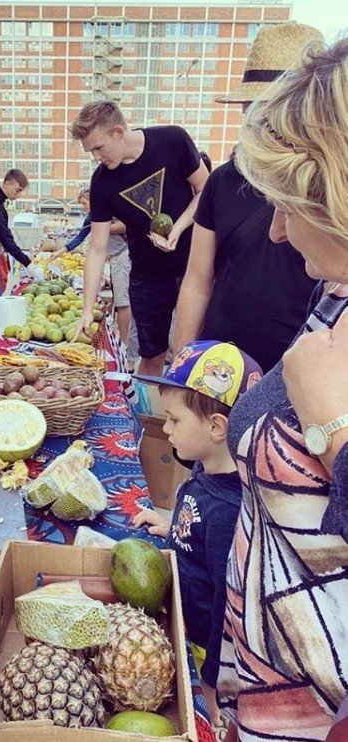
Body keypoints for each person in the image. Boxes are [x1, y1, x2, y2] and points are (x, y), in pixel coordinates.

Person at [216, 38, 348, 739]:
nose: (272, 229)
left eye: (287, 206)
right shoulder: (333, 291)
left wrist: (333, 435)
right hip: (273, 675)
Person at [173, 23, 322, 373]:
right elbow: (197, 279)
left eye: (272, 109)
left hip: (299, 367)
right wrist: (182, 361)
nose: (262, 123)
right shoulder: (223, 180)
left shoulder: (329, 188)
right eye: (252, 109)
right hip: (220, 363)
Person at [132, 341, 262, 727]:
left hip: (204, 640)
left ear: (216, 427)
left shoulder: (226, 512)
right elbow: (195, 515)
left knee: (206, 711)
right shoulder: (208, 465)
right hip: (186, 614)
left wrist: (214, 677)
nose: (164, 428)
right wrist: (173, 527)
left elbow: (228, 599)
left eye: (173, 419)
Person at [69, 101, 210, 376]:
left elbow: (205, 188)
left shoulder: (173, 140)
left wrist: (179, 228)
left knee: (191, 353)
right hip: (147, 275)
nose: (96, 157)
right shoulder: (101, 183)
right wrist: (87, 309)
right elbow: (97, 250)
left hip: (194, 266)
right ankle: (149, 416)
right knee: (152, 356)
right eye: (90, 151)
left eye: (99, 148)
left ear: (118, 132)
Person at [53, 189, 133, 348]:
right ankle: (116, 338)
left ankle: (124, 344)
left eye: (84, 203)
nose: (83, 207)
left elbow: (126, 224)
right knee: (117, 300)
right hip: (113, 259)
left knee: (123, 303)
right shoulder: (92, 218)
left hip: (123, 256)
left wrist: (104, 228)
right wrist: (61, 251)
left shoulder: (111, 210)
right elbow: (80, 236)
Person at [0, 169, 32, 295]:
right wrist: (27, 262)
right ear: (7, 184)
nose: (18, 195)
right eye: (17, 190)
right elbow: (6, 238)